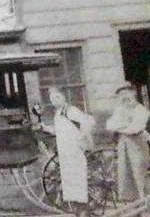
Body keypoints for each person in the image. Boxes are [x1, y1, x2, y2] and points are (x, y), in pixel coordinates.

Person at [45, 86, 95, 217]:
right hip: (64, 151)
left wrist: (81, 138)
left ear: (64, 97)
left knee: (78, 177)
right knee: (69, 179)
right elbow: (59, 130)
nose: (54, 100)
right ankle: (78, 209)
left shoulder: (71, 110)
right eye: (52, 98)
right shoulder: (57, 113)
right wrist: (45, 128)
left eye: (57, 97)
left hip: (74, 150)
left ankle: (84, 209)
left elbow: (87, 122)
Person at [106, 82, 150, 203]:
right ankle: (133, 206)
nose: (125, 97)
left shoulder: (140, 109)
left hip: (137, 146)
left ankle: (146, 206)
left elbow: (136, 128)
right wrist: (123, 125)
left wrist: (120, 126)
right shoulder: (119, 110)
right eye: (121, 95)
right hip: (123, 146)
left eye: (127, 93)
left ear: (134, 93)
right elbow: (109, 125)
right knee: (125, 175)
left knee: (139, 175)